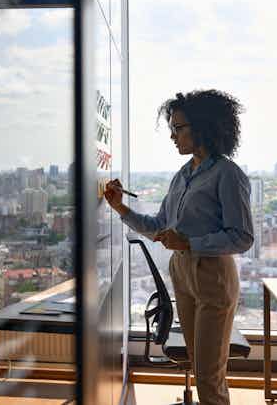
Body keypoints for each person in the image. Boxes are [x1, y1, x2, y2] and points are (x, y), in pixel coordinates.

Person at [104, 89, 254, 405]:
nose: (173, 136)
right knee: (203, 368)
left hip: (213, 275)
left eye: (179, 128)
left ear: (203, 128)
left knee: (208, 380)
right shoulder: (182, 176)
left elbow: (242, 237)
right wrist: (120, 208)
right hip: (183, 272)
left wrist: (190, 242)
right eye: (172, 128)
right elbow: (160, 226)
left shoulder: (228, 174)